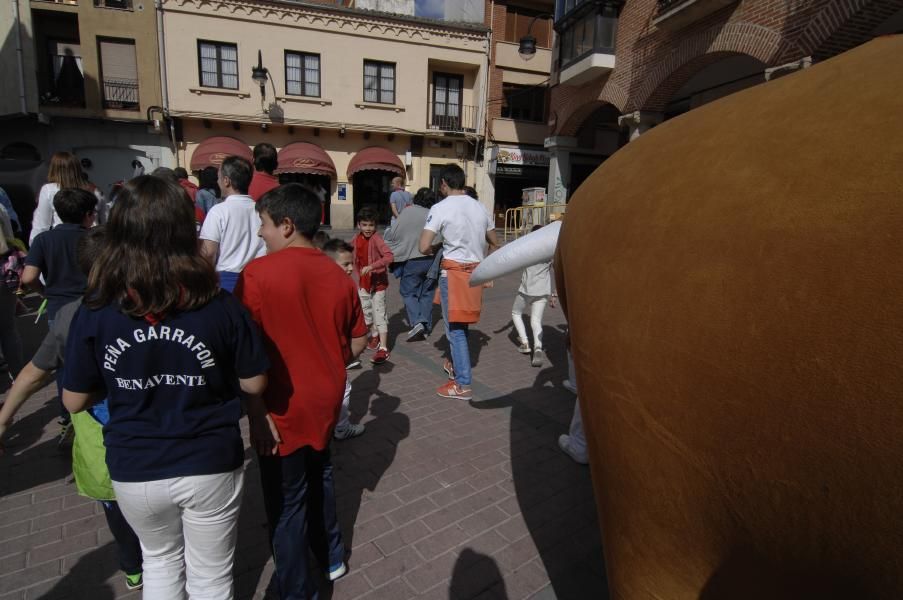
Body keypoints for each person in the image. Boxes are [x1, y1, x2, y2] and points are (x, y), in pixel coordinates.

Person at [62, 175, 274, 600]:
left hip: (135, 463)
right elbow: (254, 380)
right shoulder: (218, 302)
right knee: (211, 576)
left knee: (159, 561)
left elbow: (73, 399)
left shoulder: (98, 307)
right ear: (185, 229)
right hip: (208, 457)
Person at [234, 184, 368, 599]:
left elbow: (242, 354)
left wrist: (255, 410)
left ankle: (297, 590)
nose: (260, 235)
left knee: (287, 501)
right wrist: (328, 359)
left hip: (280, 408)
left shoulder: (256, 275)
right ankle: (330, 557)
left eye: (264, 225)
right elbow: (360, 340)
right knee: (320, 473)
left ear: (287, 225)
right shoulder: (339, 274)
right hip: (325, 399)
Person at [0, 227, 146, 590]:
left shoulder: (70, 315)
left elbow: (34, 374)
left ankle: (133, 565)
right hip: (150, 427)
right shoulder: (150, 304)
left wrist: (4, 419)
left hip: (101, 433)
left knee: (116, 507)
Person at [419, 164, 498, 400]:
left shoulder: (440, 207)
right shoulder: (480, 207)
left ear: (443, 183)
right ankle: (456, 366)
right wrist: (485, 265)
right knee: (461, 326)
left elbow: (422, 246)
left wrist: (436, 246)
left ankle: (462, 383)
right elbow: (495, 241)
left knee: (455, 330)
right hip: (475, 274)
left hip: (453, 274)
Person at [22, 188, 95, 322]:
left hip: (58, 309)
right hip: (93, 307)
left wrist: (44, 292)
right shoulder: (96, 239)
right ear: (88, 215)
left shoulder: (42, 240)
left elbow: (28, 277)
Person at [199, 156, 266, 292]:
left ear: (226, 181)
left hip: (226, 284)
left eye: (219, 178)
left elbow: (209, 253)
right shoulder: (262, 212)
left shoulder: (218, 211)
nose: (217, 182)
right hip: (258, 282)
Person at [322, 237, 366, 440]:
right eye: (346, 264)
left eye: (352, 263)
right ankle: (340, 427)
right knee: (343, 388)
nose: (350, 269)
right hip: (334, 352)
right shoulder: (345, 290)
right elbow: (358, 335)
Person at [384, 187, 437, 340]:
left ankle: (417, 321)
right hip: (431, 259)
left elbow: (395, 232)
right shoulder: (433, 214)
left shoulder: (408, 212)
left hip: (412, 259)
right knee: (427, 294)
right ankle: (426, 327)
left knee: (408, 292)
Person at [351, 206, 394, 365]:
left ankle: (383, 348)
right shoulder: (356, 240)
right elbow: (347, 254)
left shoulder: (377, 238)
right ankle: (374, 335)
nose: (368, 228)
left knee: (379, 314)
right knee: (366, 315)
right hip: (363, 284)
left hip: (378, 284)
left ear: (375, 226)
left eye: (371, 225)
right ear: (359, 225)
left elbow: (389, 256)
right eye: (365, 225)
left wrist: (372, 266)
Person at [31, 152, 102, 243]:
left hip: (62, 241)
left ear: (54, 169)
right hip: (91, 242)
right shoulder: (93, 189)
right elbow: (105, 220)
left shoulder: (49, 190)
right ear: (77, 168)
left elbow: (41, 225)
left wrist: (35, 245)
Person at [511, 225, 556, 367]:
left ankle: (525, 342)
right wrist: (554, 294)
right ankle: (537, 346)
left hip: (526, 289)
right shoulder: (550, 250)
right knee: (536, 321)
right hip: (543, 290)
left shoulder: (527, 249)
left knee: (516, 313)